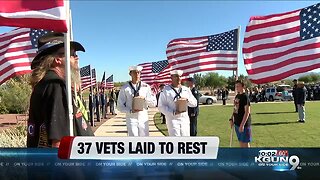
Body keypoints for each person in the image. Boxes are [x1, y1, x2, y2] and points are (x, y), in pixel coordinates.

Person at [27, 32, 94, 148]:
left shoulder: (46, 83)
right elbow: (59, 143)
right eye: (72, 54)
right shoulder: (56, 86)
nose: (77, 57)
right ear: (58, 59)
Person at [117, 65, 157, 136]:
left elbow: (153, 104)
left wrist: (145, 98)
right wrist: (130, 111)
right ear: (130, 74)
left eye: (138, 73)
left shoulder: (146, 87)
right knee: (133, 141)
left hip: (143, 117)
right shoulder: (125, 88)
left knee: (144, 141)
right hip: (131, 118)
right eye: (134, 73)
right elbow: (120, 106)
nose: (137, 75)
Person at [158, 70, 197, 136]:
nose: (179, 78)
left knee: (185, 140)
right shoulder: (165, 90)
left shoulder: (186, 89)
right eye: (176, 76)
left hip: (184, 119)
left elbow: (195, 103)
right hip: (172, 119)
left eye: (180, 76)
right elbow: (161, 106)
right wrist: (172, 112)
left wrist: (187, 100)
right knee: (175, 140)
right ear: (171, 77)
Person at [229, 80, 252, 148]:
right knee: (241, 142)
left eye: (238, 86)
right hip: (237, 123)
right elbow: (235, 109)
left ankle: (248, 158)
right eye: (236, 86)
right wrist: (231, 118)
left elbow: (247, 112)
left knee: (245, 143)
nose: (237, 88)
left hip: (244, 125)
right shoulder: (237, 96)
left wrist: (242, 125)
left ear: (243, 86)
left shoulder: (245, 97)